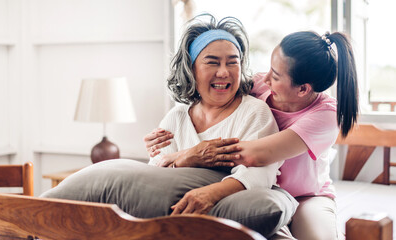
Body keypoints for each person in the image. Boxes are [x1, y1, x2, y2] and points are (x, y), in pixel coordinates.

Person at [42, 14, 298, 238]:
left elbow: (259, 174)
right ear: (191, 68)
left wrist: (208, 194)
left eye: (233, 62)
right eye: (212, 62)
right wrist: (186, 159)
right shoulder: (176, 118)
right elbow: (153, 180)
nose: (224, 72)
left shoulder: (254, 112)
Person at [145, 30, 358, 240]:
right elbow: (215, 103)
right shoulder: (257, 86)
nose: (264, 78)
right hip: (257, 193)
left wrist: (185, 155)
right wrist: (161, 146)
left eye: (275, 76)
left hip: (305, 197)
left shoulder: (325, 116)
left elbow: (257, 154)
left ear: (303, 89)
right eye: (269, 69)